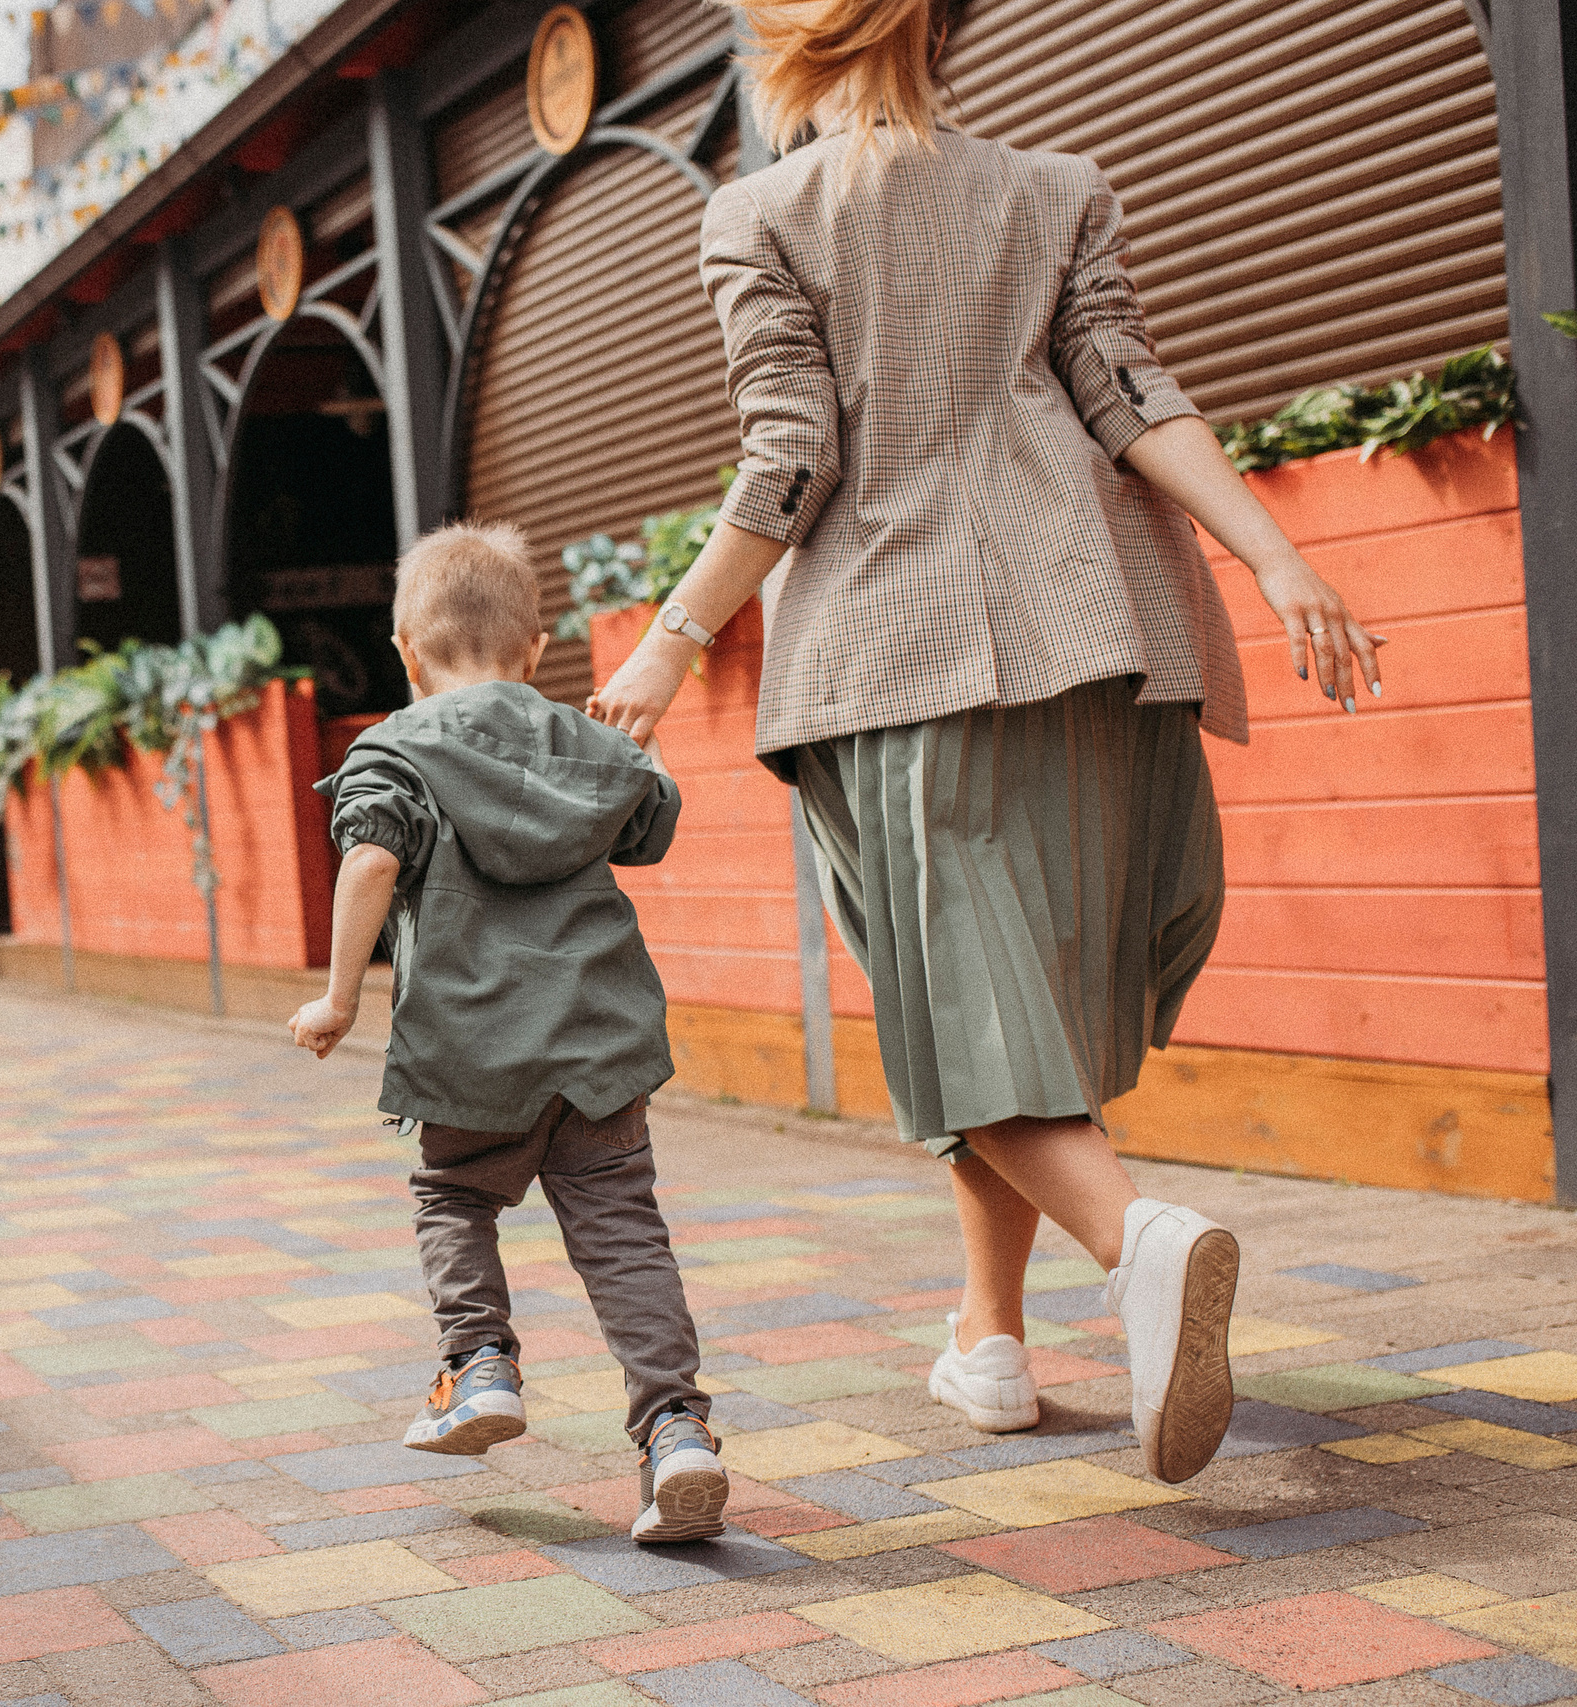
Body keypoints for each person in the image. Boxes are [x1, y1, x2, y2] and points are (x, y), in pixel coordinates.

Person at [588, 0, 1383, 1485]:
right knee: (1012, 994)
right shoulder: (1056, 187)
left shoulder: (760, 214)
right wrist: (1279, 559)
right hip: (1097, 635)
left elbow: (791, 451)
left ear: (785, 51)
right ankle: (989, 1336)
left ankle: (1133, 1239)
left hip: (898, 657)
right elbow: (1130, 393)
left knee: (958, 1003)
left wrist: (670, 636)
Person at [287, 521, 730, 1545]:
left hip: (469, 1047)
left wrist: (340, 999)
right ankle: (676, 1432)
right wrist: (633, 750)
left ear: (405, 652)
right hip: (598, 1044)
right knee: (621, 1234)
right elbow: (650, 827)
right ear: (536, 648)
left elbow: (368, 862)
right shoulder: (585, 745)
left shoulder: (395, 748)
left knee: (453, 1198)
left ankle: (478, 1363)